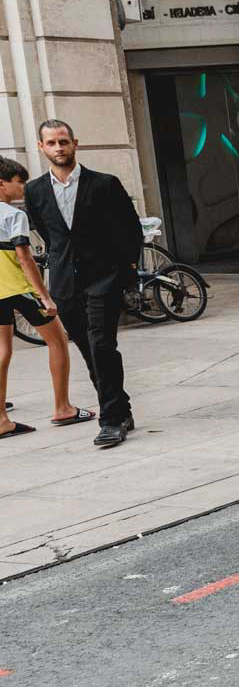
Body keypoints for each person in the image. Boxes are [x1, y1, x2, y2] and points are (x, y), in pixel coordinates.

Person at [23, 121, 141, 448]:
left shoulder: (104, 184)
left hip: (104, 277)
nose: (59, 148)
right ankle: (122, 407)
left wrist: (125, 274)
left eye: (64, 141)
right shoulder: (34, 191)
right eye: (52, 143)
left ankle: (112, 419)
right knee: (90, 351)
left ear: (75, 143)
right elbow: (49, 235)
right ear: (42, 147)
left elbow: (131, 230)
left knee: (102, 344)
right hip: (65, 283)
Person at [0, 157, 83, 439]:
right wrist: (45, 296)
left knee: (3, 350)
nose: (23, 187)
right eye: (18, 182)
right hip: (19, 288)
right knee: (58, 341)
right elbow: (24, 258)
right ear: (2, 184)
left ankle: (1, 419)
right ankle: (63, 408)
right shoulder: (13, 215)